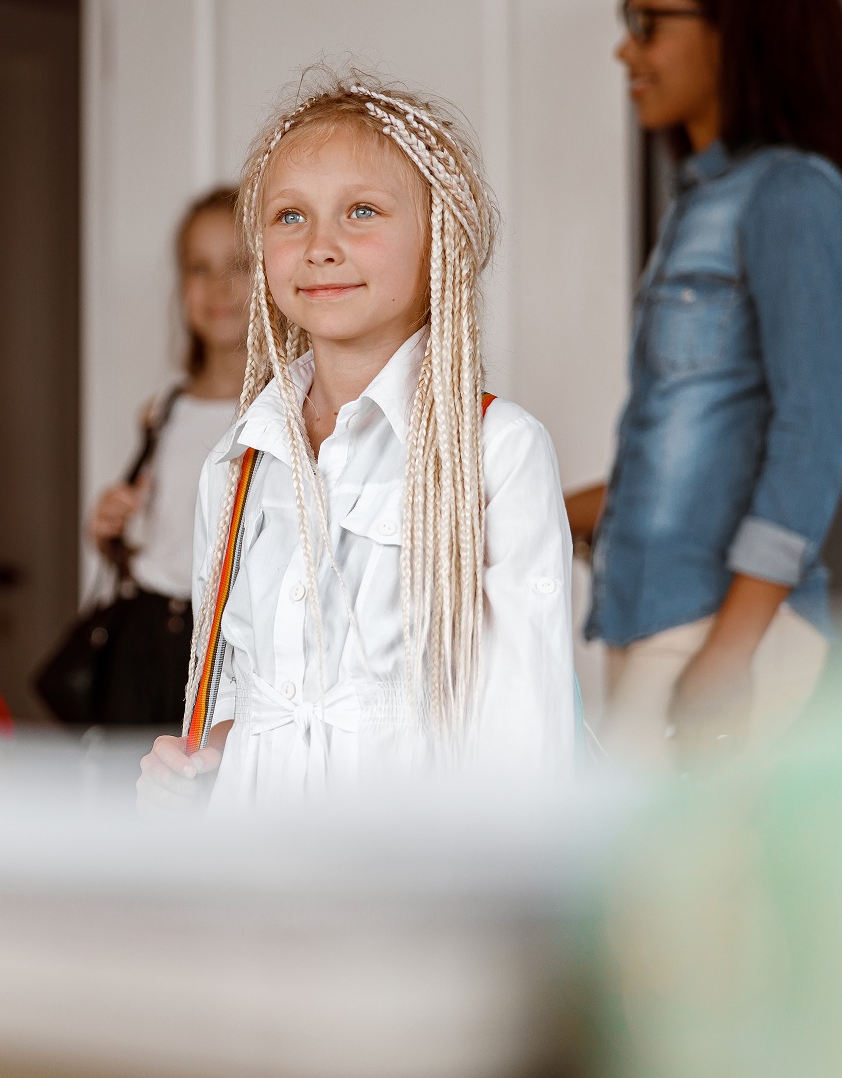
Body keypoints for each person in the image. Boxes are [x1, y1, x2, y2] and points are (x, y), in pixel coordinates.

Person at [136, 75, 577, 811]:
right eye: (289, 217)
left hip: (406, 885)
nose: (319, 247)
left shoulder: (496, 452)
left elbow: (523, 740)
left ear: (439, 239)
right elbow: (248, 691)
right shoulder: (240, 466)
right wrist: (207, 756)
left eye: (361, 212)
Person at [569, 0, 842, 769]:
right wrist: (518, 513)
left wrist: (730, 653)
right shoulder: (699, 205)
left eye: (648, 24)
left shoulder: (792, 200)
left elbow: (810, 439)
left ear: (735, 28)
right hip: (649, 614)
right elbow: (682, 450)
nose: (626, 52)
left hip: (719, 631)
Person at [79, 187, 249, 725]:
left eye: (240, 265)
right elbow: (158, 539)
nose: (219, 286)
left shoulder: (292, 407)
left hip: (230, 636)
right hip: (148, 633)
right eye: (199, 268)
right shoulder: (163, 409)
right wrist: (110, 532)